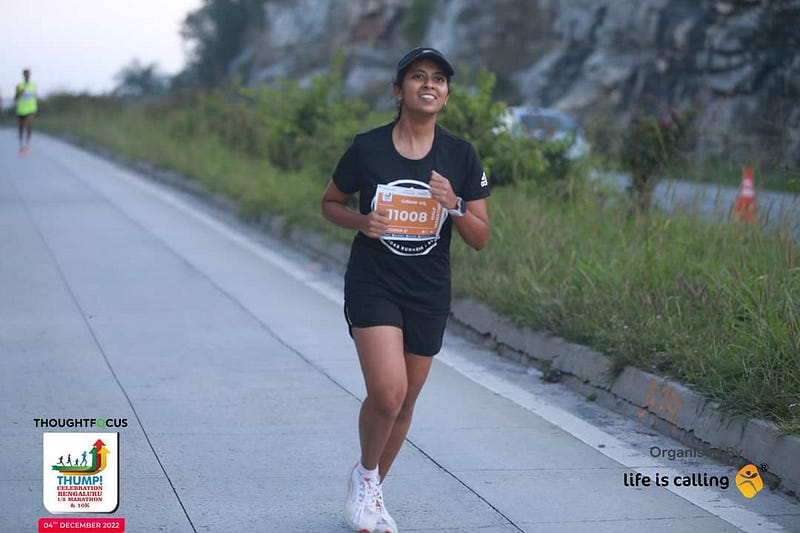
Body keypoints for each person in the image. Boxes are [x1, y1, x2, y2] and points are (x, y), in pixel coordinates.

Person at [321, 47, 490, 533]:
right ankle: (365, 476)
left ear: (447, 94)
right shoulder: (368, 148)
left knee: (406, 401)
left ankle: (371, 487)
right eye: (418, 76)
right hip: (373, 282)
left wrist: (455, 203)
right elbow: (330, 203)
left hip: (428, 290)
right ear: (399, 90)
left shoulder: (460, 155)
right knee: (388, 392)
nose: (429, 84)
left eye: (439, 78)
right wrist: (361, 221)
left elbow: (480, 237)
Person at [15, 68, 38, 155]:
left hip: (31, 109)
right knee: (21, 128)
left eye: (28, 74)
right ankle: (21, 145)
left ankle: (28, 144)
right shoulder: (19, 85)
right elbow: (15, 98)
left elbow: (35, 96)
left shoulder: (33, 85)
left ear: (30, 75)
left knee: (29, 125)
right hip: (21, 109)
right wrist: (19, 93)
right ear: (23, 75)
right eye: (26, 74)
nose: (27, 76)